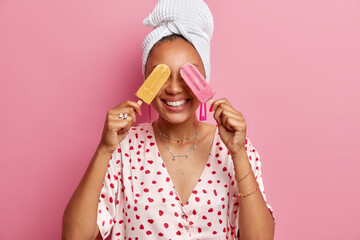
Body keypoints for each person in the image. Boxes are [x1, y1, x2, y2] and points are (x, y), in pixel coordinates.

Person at [62, 0, 275, 239]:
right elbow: (74, 236)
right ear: (146, 80)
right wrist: (104, 149)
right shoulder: (122, 148)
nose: (174, 88)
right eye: (161, 75)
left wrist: (238, 153)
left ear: (205, 78)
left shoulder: (234, 149)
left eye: (188, 74)